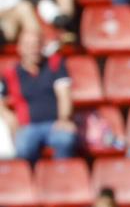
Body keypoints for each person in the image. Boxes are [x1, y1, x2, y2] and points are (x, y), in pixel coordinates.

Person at [0, 16, 76, 161]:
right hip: (28, 127)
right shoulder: (11, 74)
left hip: (55, 123)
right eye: (28, 45)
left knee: (65, 139)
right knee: (23, 146)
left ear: (42, 46)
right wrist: (8, 116)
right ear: (19, 48)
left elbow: (64, 94)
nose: (33, 49)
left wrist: (64, 118)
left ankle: (62, 177)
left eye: (36, 45)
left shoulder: (55, 65)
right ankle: (30, 181)